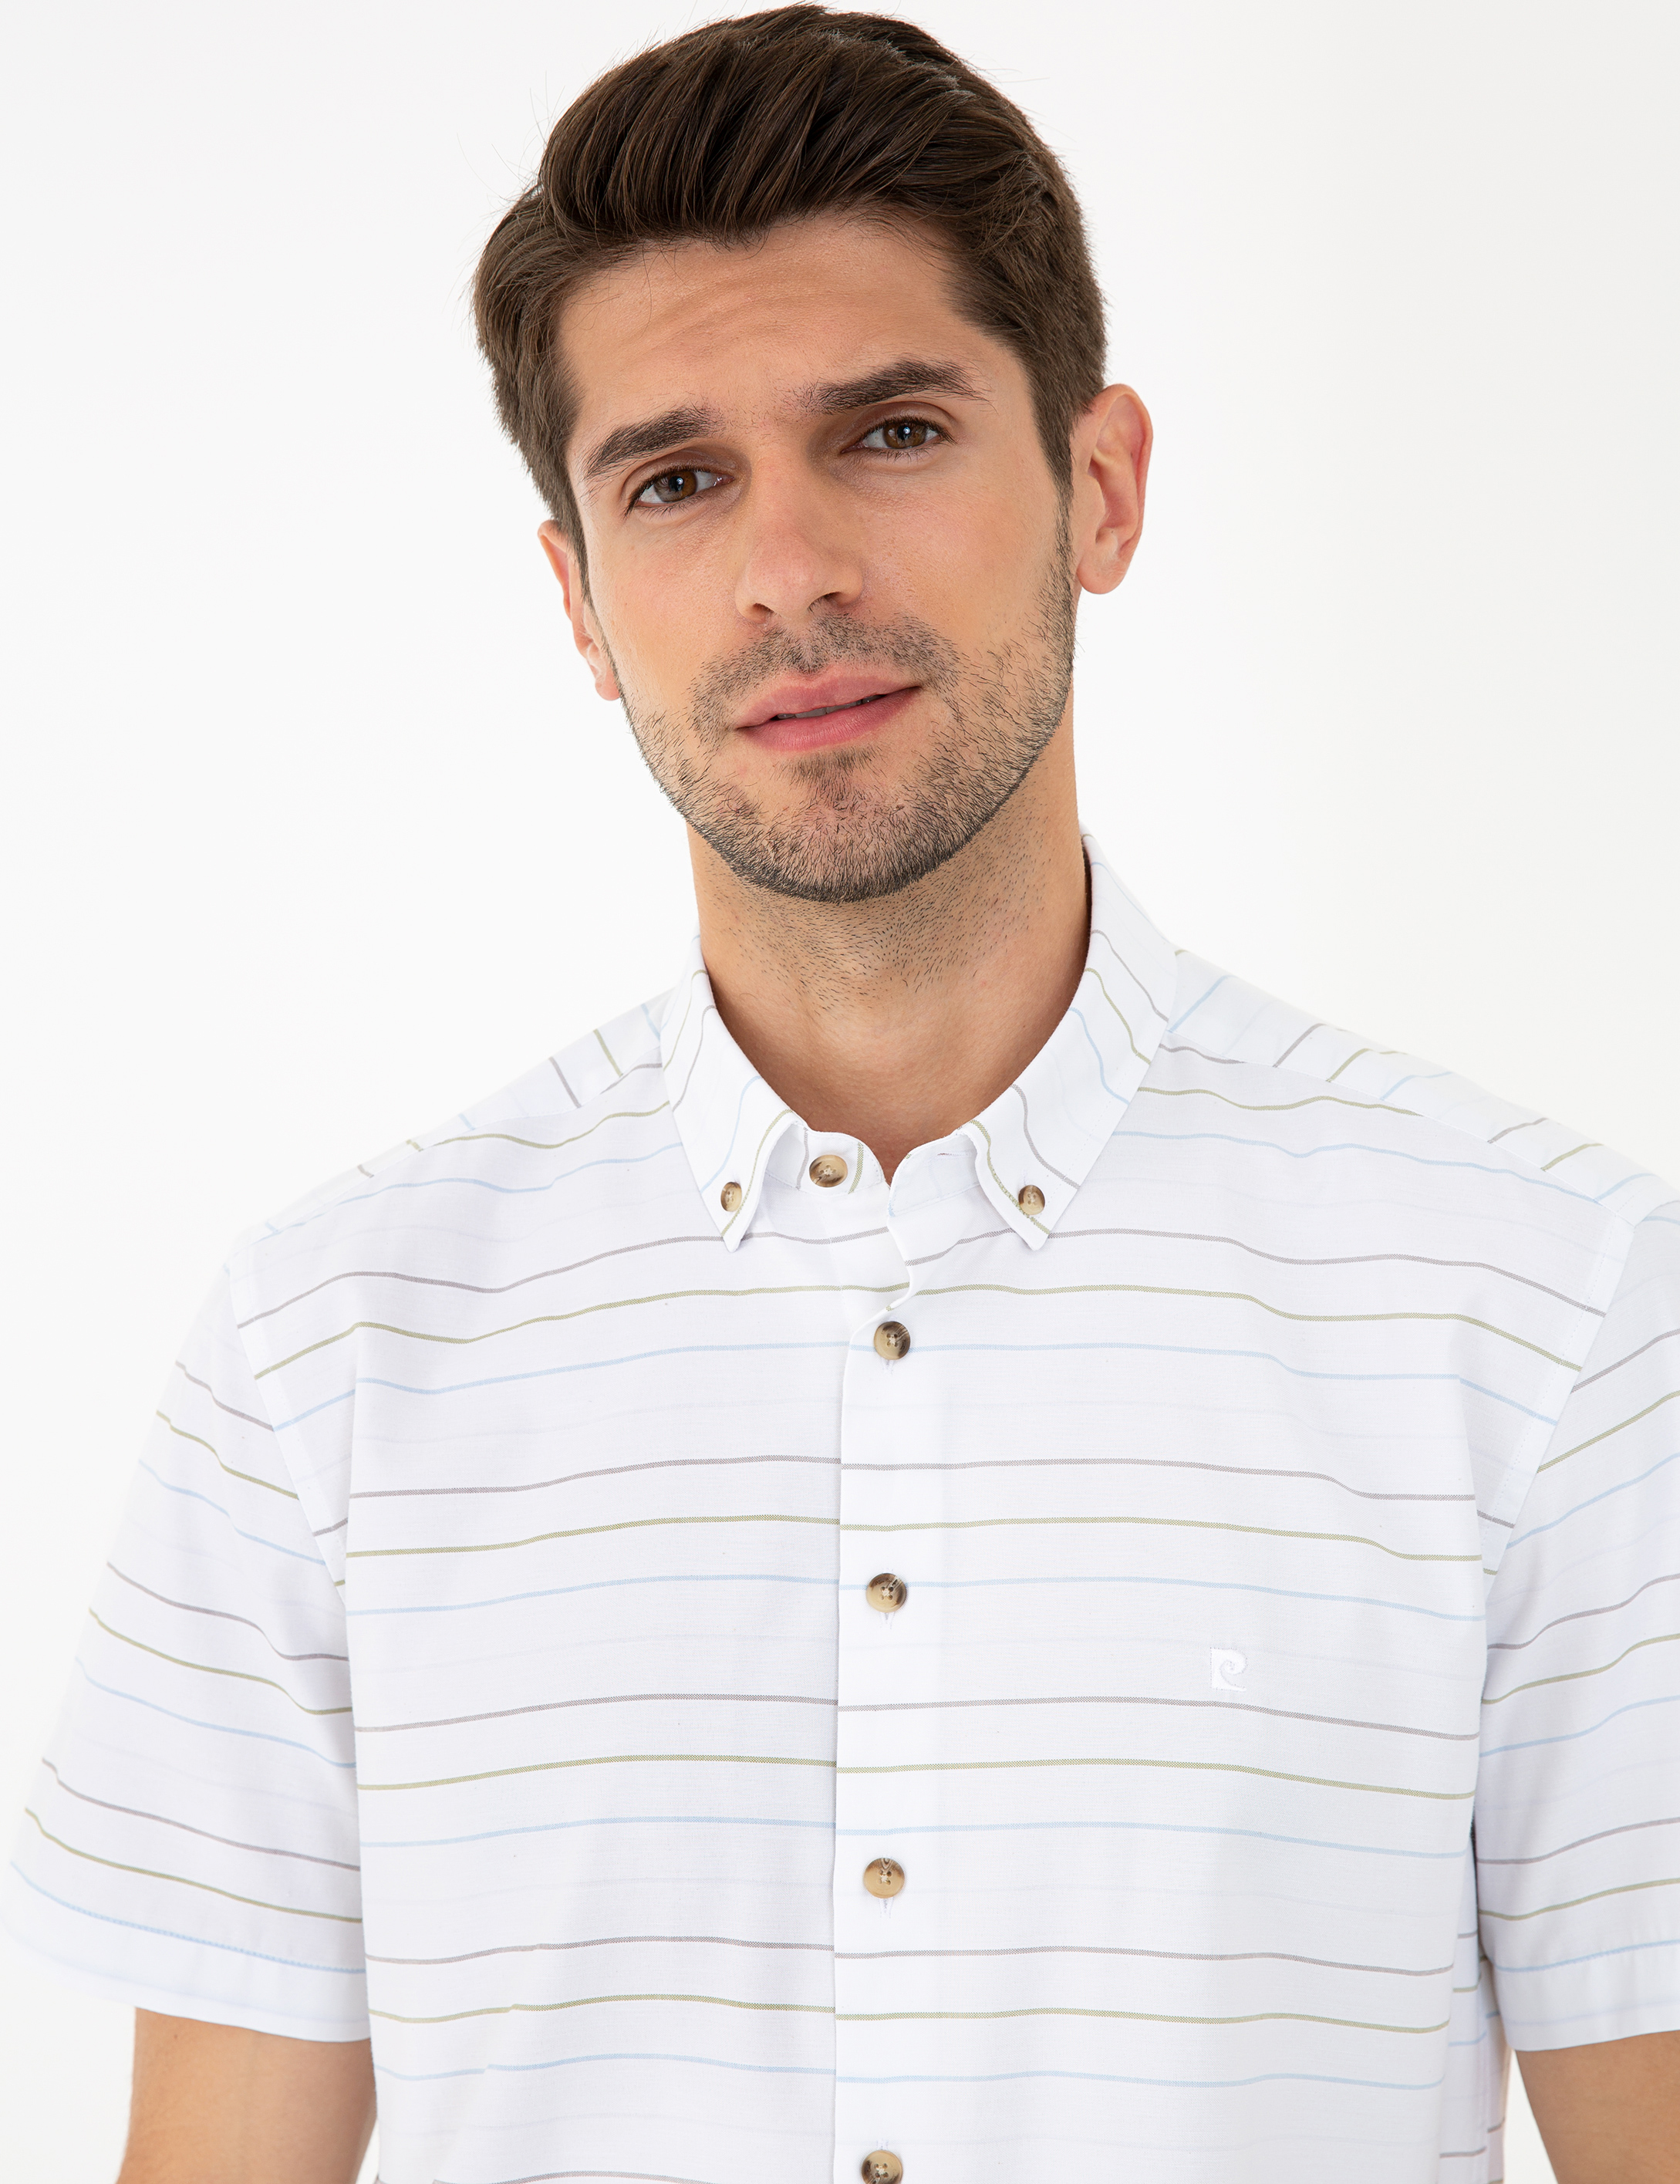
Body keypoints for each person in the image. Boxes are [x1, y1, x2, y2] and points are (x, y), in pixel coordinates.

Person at [8, 7, 1678, 2179]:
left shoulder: (1544, 1312)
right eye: (675, 479)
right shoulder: (324, 1355)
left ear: (1098, 486)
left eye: (889, 431)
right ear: (580, 600)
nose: (788, 569)